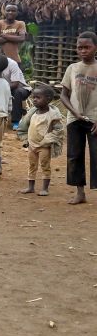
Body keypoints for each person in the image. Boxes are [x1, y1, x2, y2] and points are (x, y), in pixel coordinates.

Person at [60, 31, 97, 205]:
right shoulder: (72, 68)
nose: (83, 51)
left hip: (94, 120)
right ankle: (79, 192)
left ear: (95, 47)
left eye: (87, 47)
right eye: (79, 47)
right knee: (74, 155)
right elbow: (63, 95)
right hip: (74, 119)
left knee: (96, 155)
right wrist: (74, 112)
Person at [18, 84, 64, 197]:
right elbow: (24, 126)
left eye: (38, 97)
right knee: (32, 165)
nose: (34, 100)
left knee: (45, 166)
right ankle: (30, 187)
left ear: (48, 99)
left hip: (44, 146)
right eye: (33, 97)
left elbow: (59, 130)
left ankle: (44, 188)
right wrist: (25, 140)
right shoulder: (32, 113)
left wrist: (47, 140)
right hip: (32, 145)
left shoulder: (52, 115)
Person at [0, 46, 31, 130]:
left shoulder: (12, 63)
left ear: (3, 54)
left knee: (17, 92)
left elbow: (15, 84)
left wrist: (0, 89)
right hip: (2, 88)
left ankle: (16, 122)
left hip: (20, 88)